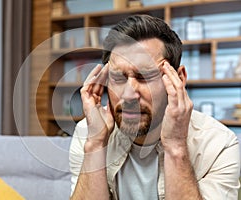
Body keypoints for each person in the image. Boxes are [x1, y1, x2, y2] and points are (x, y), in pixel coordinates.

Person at [69, 14, 240, 200]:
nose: (128, 95)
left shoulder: (219, 145)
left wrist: (176, 146)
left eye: (144, 77)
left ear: (179, 79)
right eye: (118, 78)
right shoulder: (89, 131)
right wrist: (95, 144)